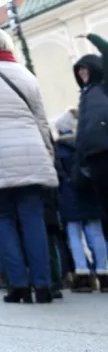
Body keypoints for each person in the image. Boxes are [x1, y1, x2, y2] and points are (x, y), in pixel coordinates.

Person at [0, 28, 58, 303]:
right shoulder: (26, 74)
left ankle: (18, 285)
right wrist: (48, 155)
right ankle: (43, 285)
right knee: (33, 219)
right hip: (31, 152)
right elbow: (42, 120)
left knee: (3, 218)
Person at [54, 109, 108, 292]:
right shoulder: (87, 144)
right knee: (96, 231)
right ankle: (103, 271)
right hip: (90, 191)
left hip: (69, 194)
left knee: (74, 233)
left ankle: (82, 272)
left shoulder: (59, 149)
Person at [73, 36, 108, 220]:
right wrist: (81, 161)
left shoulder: (104, 87)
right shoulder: (84, 97)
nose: (82, 73)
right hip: (94, 159)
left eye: (84, 68)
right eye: (79, 71)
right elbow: (82, 133)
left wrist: (93, 39)